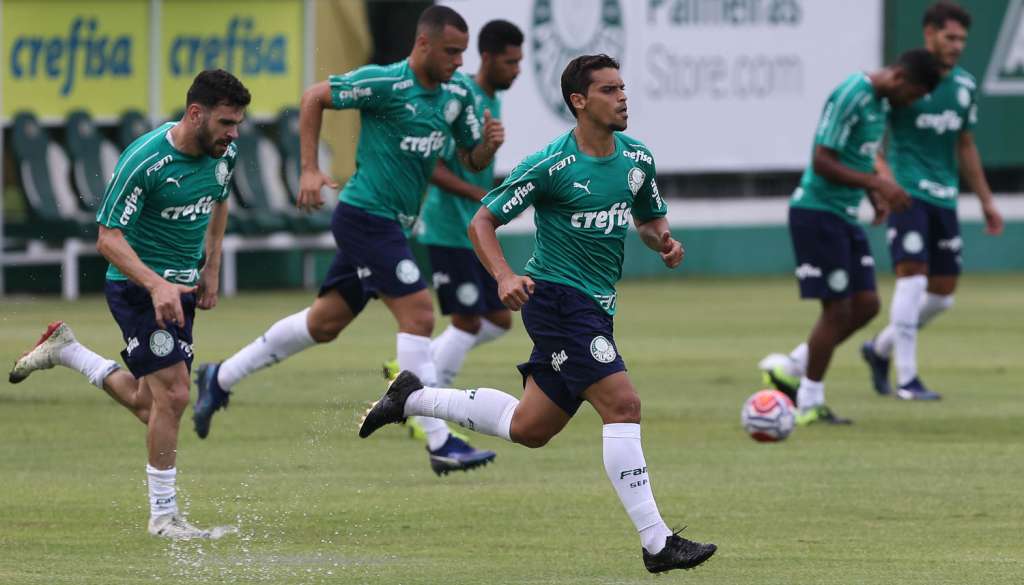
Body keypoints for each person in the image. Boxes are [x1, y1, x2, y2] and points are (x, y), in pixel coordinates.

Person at [359, 54, 717, 574]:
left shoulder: (637, 158)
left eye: (624, 87)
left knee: (530, 427)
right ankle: (657, 542)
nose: (623, 97)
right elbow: (482, 221)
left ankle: (413, 396)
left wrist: (662, 240)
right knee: (623, 405)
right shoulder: (552, 165)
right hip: (557, 301)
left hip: (595, 304)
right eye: (609, 90)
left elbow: (647, 219)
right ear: (579, 101)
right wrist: (505, 275)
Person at [191, 6, 503, 475]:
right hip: (363, 216)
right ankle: (440, 441)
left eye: (463, 52)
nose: (460, 62)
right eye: (452, 51)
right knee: (419, 313)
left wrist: (487, 148)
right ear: (423, 45)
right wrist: (311, 168)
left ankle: (221, 376)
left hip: (394, 225)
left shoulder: (456, 94)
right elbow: (315, 96)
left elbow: (470, 159)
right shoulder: (386, 83)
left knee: (325, 323)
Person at [8, 70, 249, 539]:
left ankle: (66, 350)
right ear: (195, 114)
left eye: (238, 123)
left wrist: (213, 264)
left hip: (181, 292)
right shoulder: (145, 160)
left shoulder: (225, 153)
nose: (234, 133)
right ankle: (163, 518)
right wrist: (156, 285)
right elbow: (107, 239)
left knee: (150, 403)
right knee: (177, 394)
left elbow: (221, 200)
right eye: (225, 122)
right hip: (136, 288)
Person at [758, 49, 943, 425]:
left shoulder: (880, 105)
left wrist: (874, 194)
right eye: (912, 96)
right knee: (837, 310)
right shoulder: (852, 94)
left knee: (867, 305)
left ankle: (791, 371)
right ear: (901, 79)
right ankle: (809, 402)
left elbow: (863, 153)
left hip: (843, 215)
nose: (909, 104)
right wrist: (877, 183)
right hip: (816, 212)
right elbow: (822, 160)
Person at [382, 20, 523, 441]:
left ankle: (410, 380)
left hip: (471, 230)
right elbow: (435, 166)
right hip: (449, 227)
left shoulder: (490, 100)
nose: (516, 69)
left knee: (498, 318)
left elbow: (473, 158)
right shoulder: (461, 96)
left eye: (519, 61)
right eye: (510, 61)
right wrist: (481, 192)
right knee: (466, 320)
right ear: (488, 57)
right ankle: (419, 404)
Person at [861, 2, 1003, 401]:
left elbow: (966, 146)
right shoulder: (901, 83)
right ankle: (907, 379)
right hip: (908, 193)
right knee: (913, 279)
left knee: (941, 295)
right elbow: (871, 141)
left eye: (962, 39)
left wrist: (987, 201)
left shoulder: (964, 87)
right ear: (929, 34)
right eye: (949, 37)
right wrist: (885, 182)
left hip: (944, 197)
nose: (957, 46)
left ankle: (879, 349)